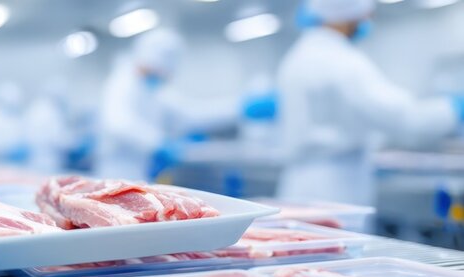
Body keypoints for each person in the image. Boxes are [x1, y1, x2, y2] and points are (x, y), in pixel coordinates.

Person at [277, 0, 464, 205]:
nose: (368, 20)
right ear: (345, 16)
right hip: (335, 189)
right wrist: (454, 108)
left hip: (302, 182)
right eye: (364, 14)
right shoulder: (340, 61)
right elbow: (405, 118)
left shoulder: (299, 55)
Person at [97, 28, 238, 181]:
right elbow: (119, 122)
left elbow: (189, 115)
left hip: (144, 171)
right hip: (116, 172)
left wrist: (238, 108)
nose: (160, 76)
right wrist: (158, 143)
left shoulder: (155, 91)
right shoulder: (122, 81)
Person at [22, 78, 74, 173]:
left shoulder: (36, 107)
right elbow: (56, 139)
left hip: (34, 158)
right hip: (49, 159)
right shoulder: (51, 112)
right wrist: (71, 143)